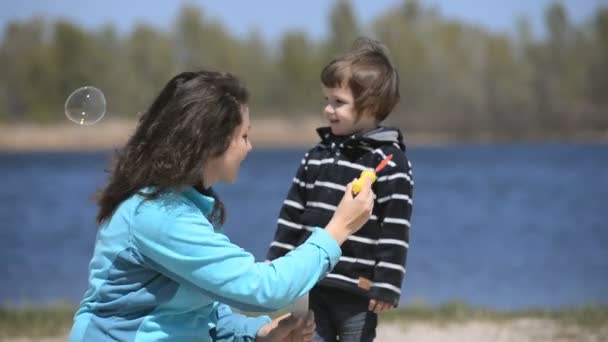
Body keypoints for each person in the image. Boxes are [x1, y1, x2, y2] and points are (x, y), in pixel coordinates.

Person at [68, 70, 375, 342]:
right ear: (210, 142)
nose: (249, 147)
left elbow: (205, 308)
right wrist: (339, 228)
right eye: (244, 136)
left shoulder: (185, 204)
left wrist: (258, 333)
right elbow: (263, 289)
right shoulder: (158, 215)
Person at [266, 37, 414, 342]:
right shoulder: (316, 155)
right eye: (327, 101)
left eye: (338, 102)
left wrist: (387, 283)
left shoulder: (388, 161)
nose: (328, 110)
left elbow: (395, 228)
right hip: (312, 280)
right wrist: (278, 260)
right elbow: (292, 213)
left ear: (370, 106)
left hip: (357, 286)